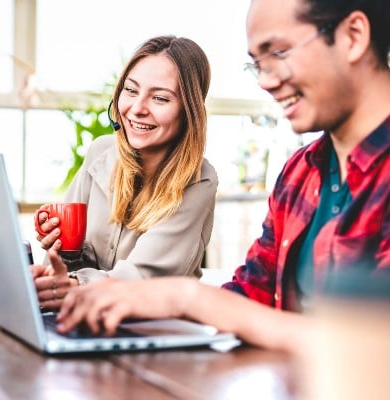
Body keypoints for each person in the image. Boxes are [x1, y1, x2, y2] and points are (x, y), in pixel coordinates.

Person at [55, 0, 390, 352]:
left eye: (279, 52)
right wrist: (155, 301)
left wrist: (187, 297)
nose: (264, 81)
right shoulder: (300, 174)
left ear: (353, 36)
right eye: (257, 63)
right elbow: (252, 296)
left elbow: (373, 347)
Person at [33, 35, 218, 309]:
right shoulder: (100, 154)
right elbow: (64, 266)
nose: (137, 109)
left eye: (160, 98)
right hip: (85, 318)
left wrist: (71, 285)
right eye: (131, 91)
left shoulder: (198, 180)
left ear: (188, 112)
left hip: (154, 330)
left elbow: (142, 279)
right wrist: (62, 252)